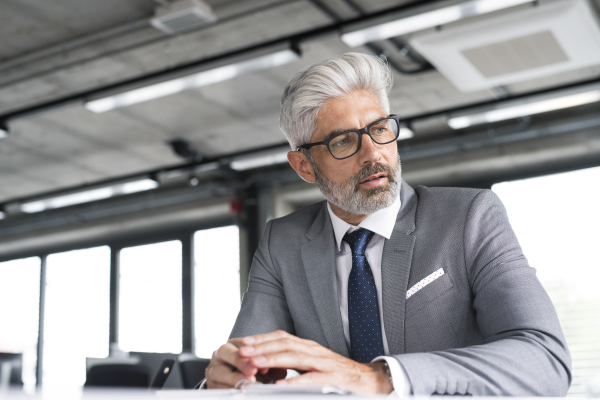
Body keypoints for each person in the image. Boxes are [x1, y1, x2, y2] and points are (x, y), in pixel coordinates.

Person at [202, 52, 571, 395]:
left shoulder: (470, 216)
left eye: (379, 129)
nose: (373, 153)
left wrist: (380, 378)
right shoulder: (282, 243)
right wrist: (225, 379)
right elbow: (244, 368)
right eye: (344, 141)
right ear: (304, 166)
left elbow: (544, 360)